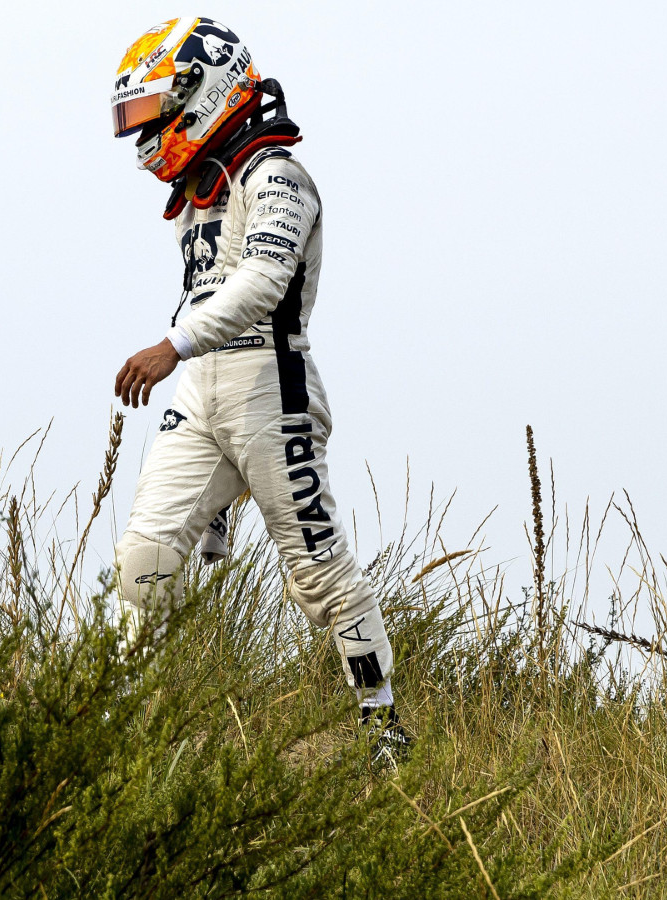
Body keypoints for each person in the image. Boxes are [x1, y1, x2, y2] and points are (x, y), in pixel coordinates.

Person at [106, 16, 409, 764]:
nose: (146, 137)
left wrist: (168, 345)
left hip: (272, 387)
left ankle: (384, 730)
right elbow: (207, 288)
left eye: (153, 112)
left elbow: (263, 283)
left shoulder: (278, 177)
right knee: (141, 561)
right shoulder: (201, 191)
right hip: (204, 390)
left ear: (203, 87)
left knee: (317, 575)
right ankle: (123, 726)